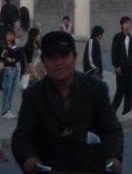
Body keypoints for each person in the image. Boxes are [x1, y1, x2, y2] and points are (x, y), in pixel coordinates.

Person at [11, 30, 124, 174]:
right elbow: (22, 136)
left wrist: (114, 157)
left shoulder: (96, 89)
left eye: (64, 55)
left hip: (89, 165)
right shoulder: (33, 95)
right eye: (52, 57)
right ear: (44, 62)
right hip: (49, 167)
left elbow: (112, 130)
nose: (58, 63)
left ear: (75, 57)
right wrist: (28, 159)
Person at [110, 15, 132, 118]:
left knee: (130, 90)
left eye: (130, 23)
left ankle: (127, 112)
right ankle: (112, 112)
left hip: (130, 67)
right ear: (122, 25)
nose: (128, 25)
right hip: (121, 68)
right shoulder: (117, 38)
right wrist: (116, 65)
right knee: (120, 91)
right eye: (126, 23)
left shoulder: (131, 38)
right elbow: (114, 52)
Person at [1, 28, 25, 117]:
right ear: (5, 36)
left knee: (11, 91)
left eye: (12, 35)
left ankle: (8, 110)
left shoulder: (16, 47)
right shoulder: (3, 46)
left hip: (14, 70)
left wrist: (13, 59)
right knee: (7, 91)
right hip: (7, 70)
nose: (10, 36)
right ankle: (5, 111)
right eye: (8, 34)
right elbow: (3, 58)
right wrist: (4, 56)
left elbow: (18, 58)